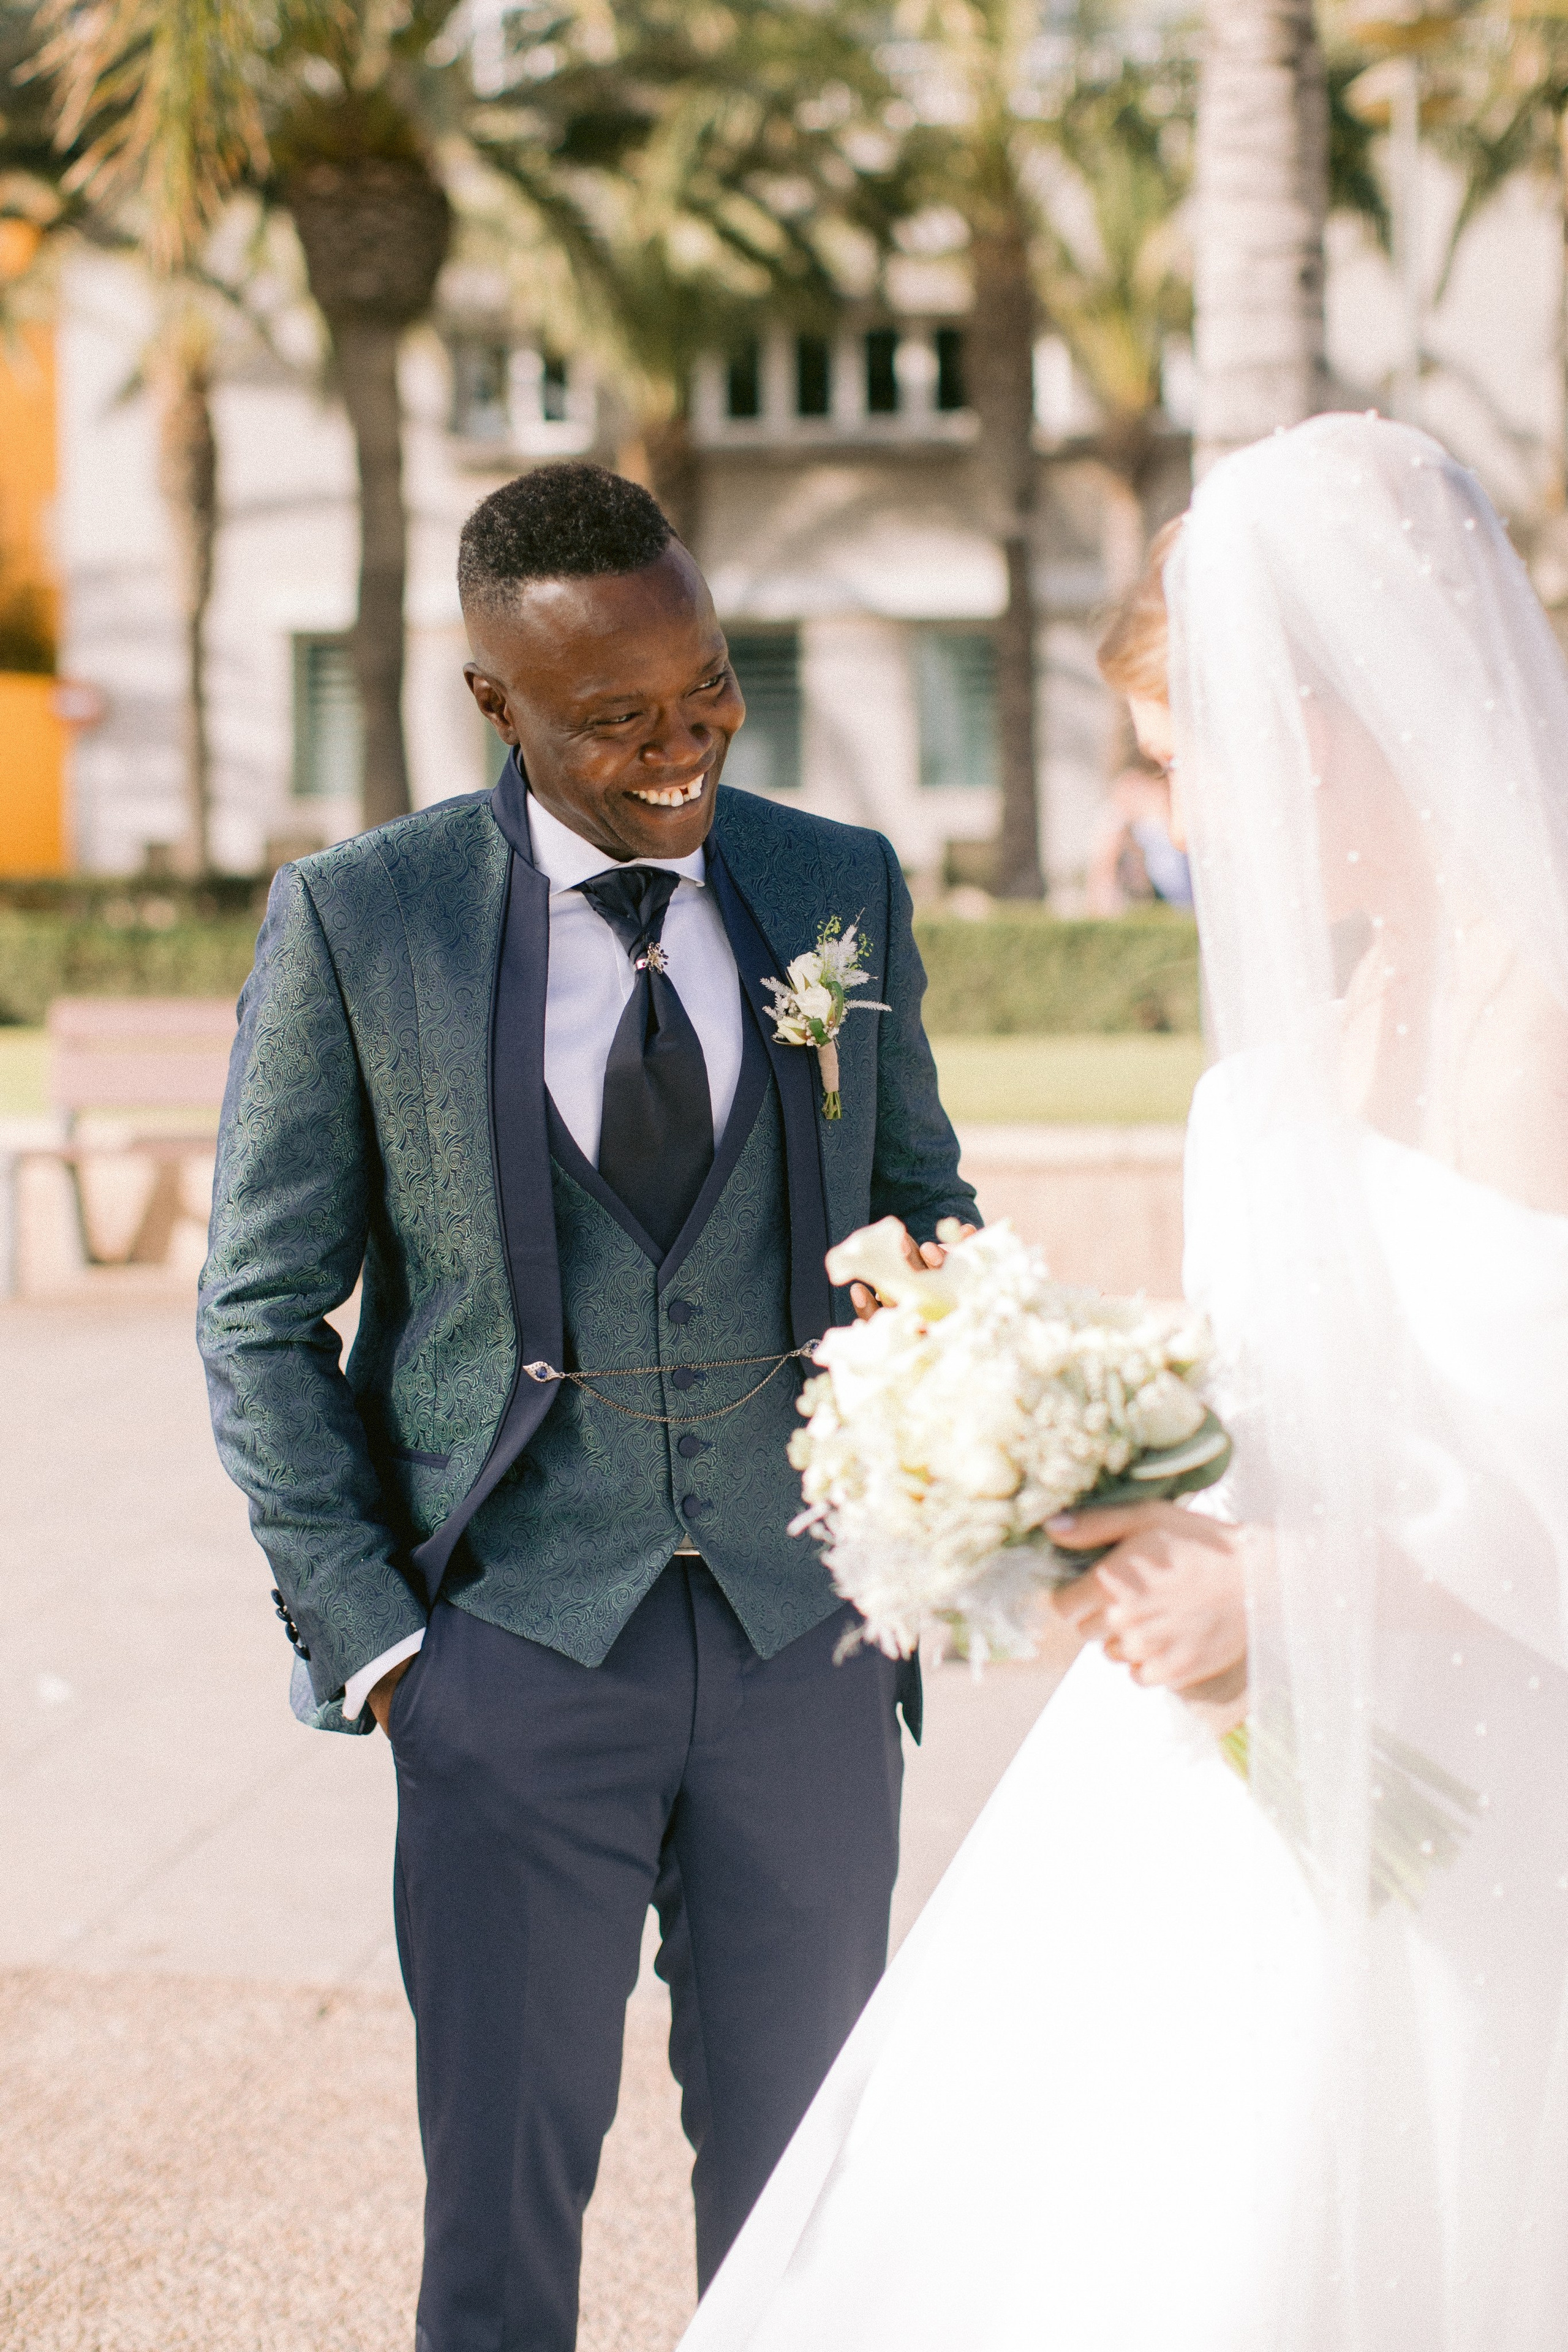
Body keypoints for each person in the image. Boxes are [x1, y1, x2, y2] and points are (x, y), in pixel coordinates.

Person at [674, 412, 1568, 2352]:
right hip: (1240, 1759)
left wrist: (1297, 1592)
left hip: (1495, 1775)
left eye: (1185, 758)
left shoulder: (1548, 1027)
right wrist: (1069, 1450)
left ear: (1318, 731)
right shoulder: (1291, 1058)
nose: (1179, 818)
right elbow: (1287, 1396)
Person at [195, 461, 978, 2351]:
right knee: (501, 2222)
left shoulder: (833, 882)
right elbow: (254, 1314)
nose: (678, 748)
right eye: (613, 719)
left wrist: (950, 1356)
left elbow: (927, 1202)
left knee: (805, 2208)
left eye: (703, 688)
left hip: (803, 1643)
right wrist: (382, 1641)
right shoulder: (360, 922)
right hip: (507, 1656)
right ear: (497, 704)